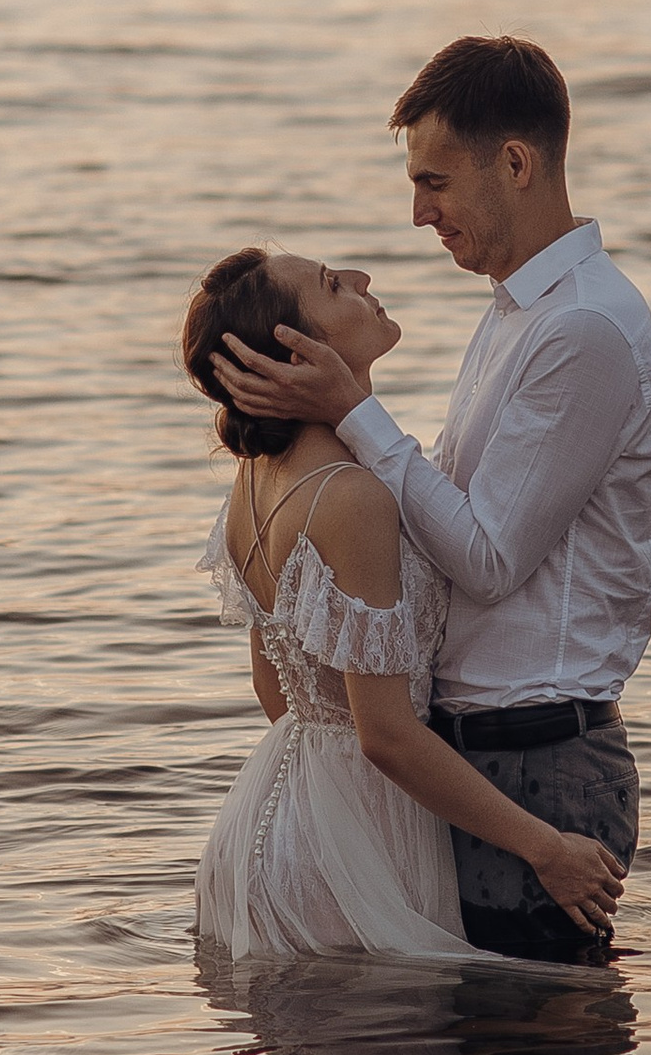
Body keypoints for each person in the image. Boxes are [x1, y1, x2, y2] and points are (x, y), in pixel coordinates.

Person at [212, 37, 651, 966]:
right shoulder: (514, 315)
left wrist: (356, 412)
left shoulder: (580, 327)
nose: (418, 215)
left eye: (436, 183)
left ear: (516, 162)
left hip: (537, 760)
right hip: (458, 767)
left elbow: (490, 559)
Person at [185, 250, 627, 962]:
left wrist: (327, 789)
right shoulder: (351, 496)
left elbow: (278, 692)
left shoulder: (254, 482)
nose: (361, 279)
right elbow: (384, 734)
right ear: (297, 348)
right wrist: (546, 850)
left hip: (276, 817)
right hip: (357, 844)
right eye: (332, 285)